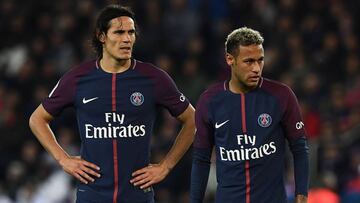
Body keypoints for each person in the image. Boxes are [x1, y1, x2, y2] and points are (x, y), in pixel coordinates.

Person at [29, 4, 195, 203]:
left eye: (131, 32)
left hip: (137, 195)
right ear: (102, 37)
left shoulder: (153, 78)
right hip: (92, 195)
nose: (127, 39)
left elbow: (193, 119)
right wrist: (63, 159)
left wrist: (166, 166)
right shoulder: (78, 79)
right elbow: (37, 119)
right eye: (119, 32)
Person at [190, 27, 309, 203]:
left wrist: (302, 197)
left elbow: (299, 149)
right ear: (230, 59)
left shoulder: (281, 95)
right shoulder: (210, 101)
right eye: (249, 61)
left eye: (260, 60)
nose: (256, 68)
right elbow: (201, 159)